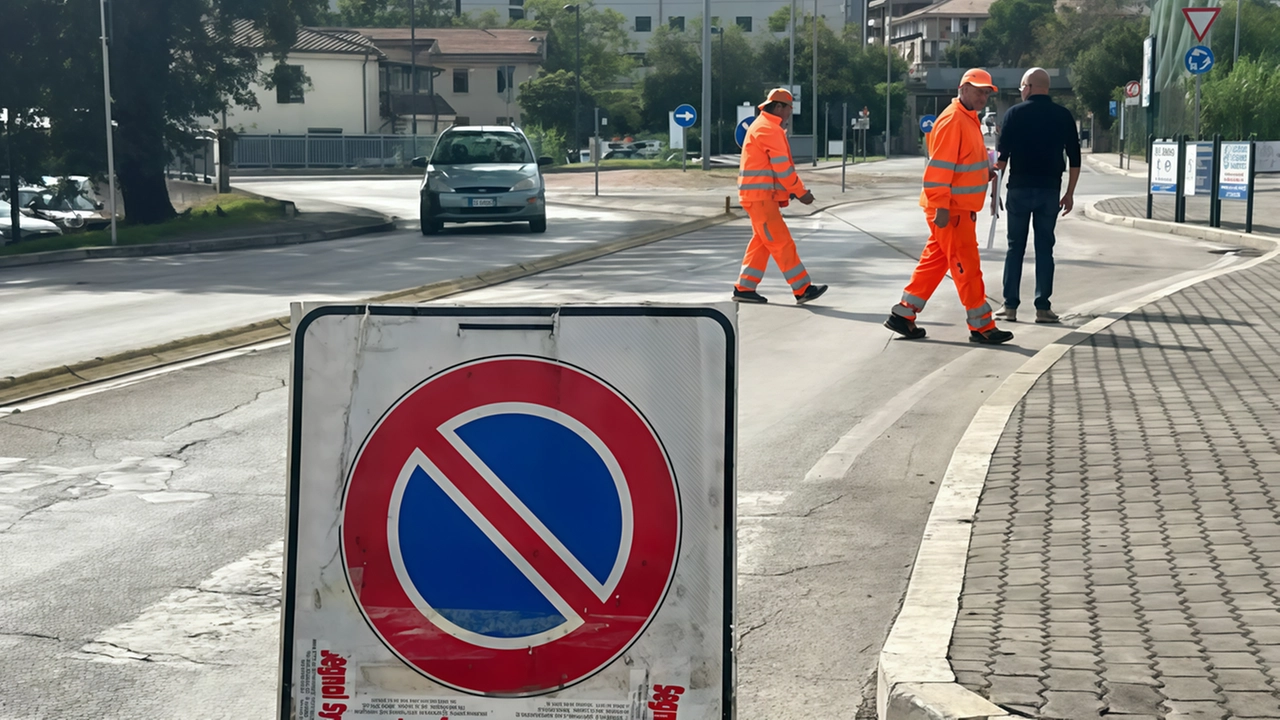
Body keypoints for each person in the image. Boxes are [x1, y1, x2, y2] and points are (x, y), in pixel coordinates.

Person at [884, 69, 1013, 345]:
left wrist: (984, 174)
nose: (983, 96)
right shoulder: (955, 119)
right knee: (967, 265)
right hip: (951, 210)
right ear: (962, 88)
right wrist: (941, 205)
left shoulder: (967, 118)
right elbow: (938, 168)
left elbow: (960, 165)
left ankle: (904, 314)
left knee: (935, 261)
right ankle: (982, 326)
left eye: (987, 92)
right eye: (978, 90)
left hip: (954, 208)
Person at [993, 67, 1082, 324]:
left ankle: (1010, 306)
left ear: (1029, 86)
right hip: (1049, 191)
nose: (1021, 91)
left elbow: (1001, 159)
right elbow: (1075, 159)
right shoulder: (1063, 116)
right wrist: (1069, 193)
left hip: (1019, 190)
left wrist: (994, 192)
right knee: (1045, 249)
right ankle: (1043, 307)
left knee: (1014, 248)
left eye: (1022, 87)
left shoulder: (1013, 114)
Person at [732, 87, 828, 305]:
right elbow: (783, 169)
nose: (789, 114)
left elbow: (772, 169)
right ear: (778, 106)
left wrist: (790, 191)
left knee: (762, 242)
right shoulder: (769, 130)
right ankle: (802, 288)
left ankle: (745, 287)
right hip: (761, 197)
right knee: (782, 242)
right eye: (788, 109)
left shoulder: (763, 127)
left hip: (758, 196)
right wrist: (801, 193)